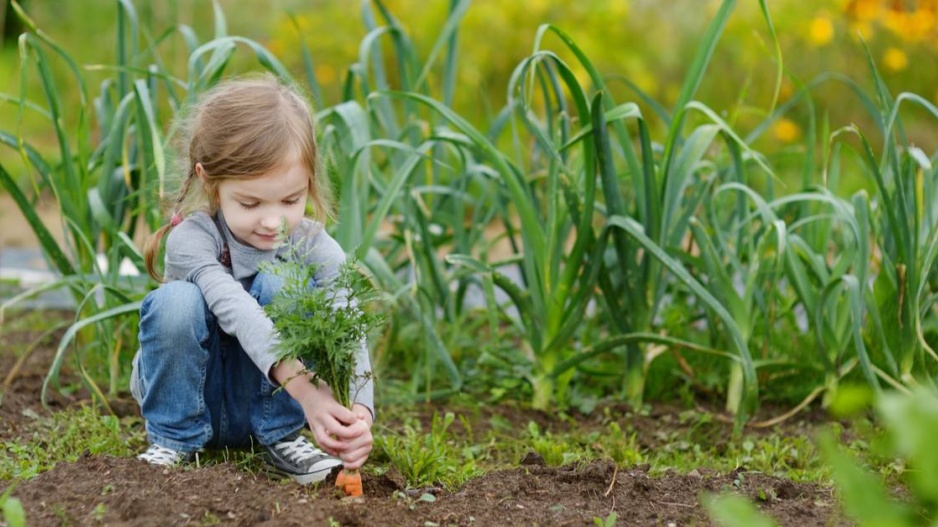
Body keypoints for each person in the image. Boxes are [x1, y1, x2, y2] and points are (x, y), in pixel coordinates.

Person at [131, 74, 374, 485]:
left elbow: (347, 319)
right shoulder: (193, 239)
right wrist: (306, 389)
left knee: (287, 283)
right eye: (250, 202)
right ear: (210, 180)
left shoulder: (313, 244)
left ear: (309, 184)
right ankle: (173, 441)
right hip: (198, 397)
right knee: (176, 302)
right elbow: (237, 309)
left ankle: (280, 438)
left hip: (268, 407)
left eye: (291, 200)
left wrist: (360, 412)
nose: (272, 220)